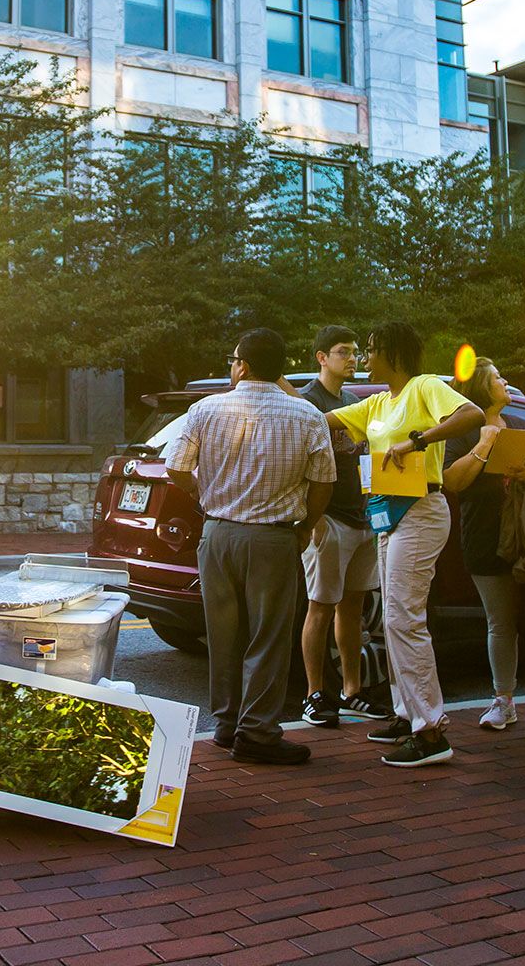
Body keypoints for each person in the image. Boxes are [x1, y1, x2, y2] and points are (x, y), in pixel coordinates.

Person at [164, 328, 335, 766]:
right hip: (274, 537)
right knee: (268, 636)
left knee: (223, 634)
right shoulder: (307, 415)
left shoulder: (205, 410)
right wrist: (306, 526)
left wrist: (206, 494)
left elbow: (175, 467)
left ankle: (227, 723)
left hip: (218, 534)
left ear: (241, 364)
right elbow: (323, 482)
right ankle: (257, 730)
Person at [327, 322, 484, 768]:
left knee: (403, 617)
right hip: (385, 511)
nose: (364, 359)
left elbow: (469, 414)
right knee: (393, 618)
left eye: (371, 350)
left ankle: (431, 729)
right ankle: (406, 713)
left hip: (421, 509)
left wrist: (417, 440)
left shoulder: (424, 387)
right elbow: (322, 417)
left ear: (392, 354)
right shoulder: (377, 402)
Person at [445, 360, 525, 734]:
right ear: (479, 387)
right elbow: (453, 482)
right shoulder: (463, 430)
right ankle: (503, 701)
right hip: (484, 535)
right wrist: (485, 442)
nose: (505, 381)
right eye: (497, 378)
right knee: (500, 622)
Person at [297, 325, 386, 727]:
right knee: (320, 606)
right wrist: (311, 519)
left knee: (353, 608)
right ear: (321, 357)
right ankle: (315, 694)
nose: (352, 359)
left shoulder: (352, 401)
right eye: (343, 352)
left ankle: (353, 691)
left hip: (362, 515)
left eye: (354, 352)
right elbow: (298, 466)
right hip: (328, 519)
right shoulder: (307, 402)